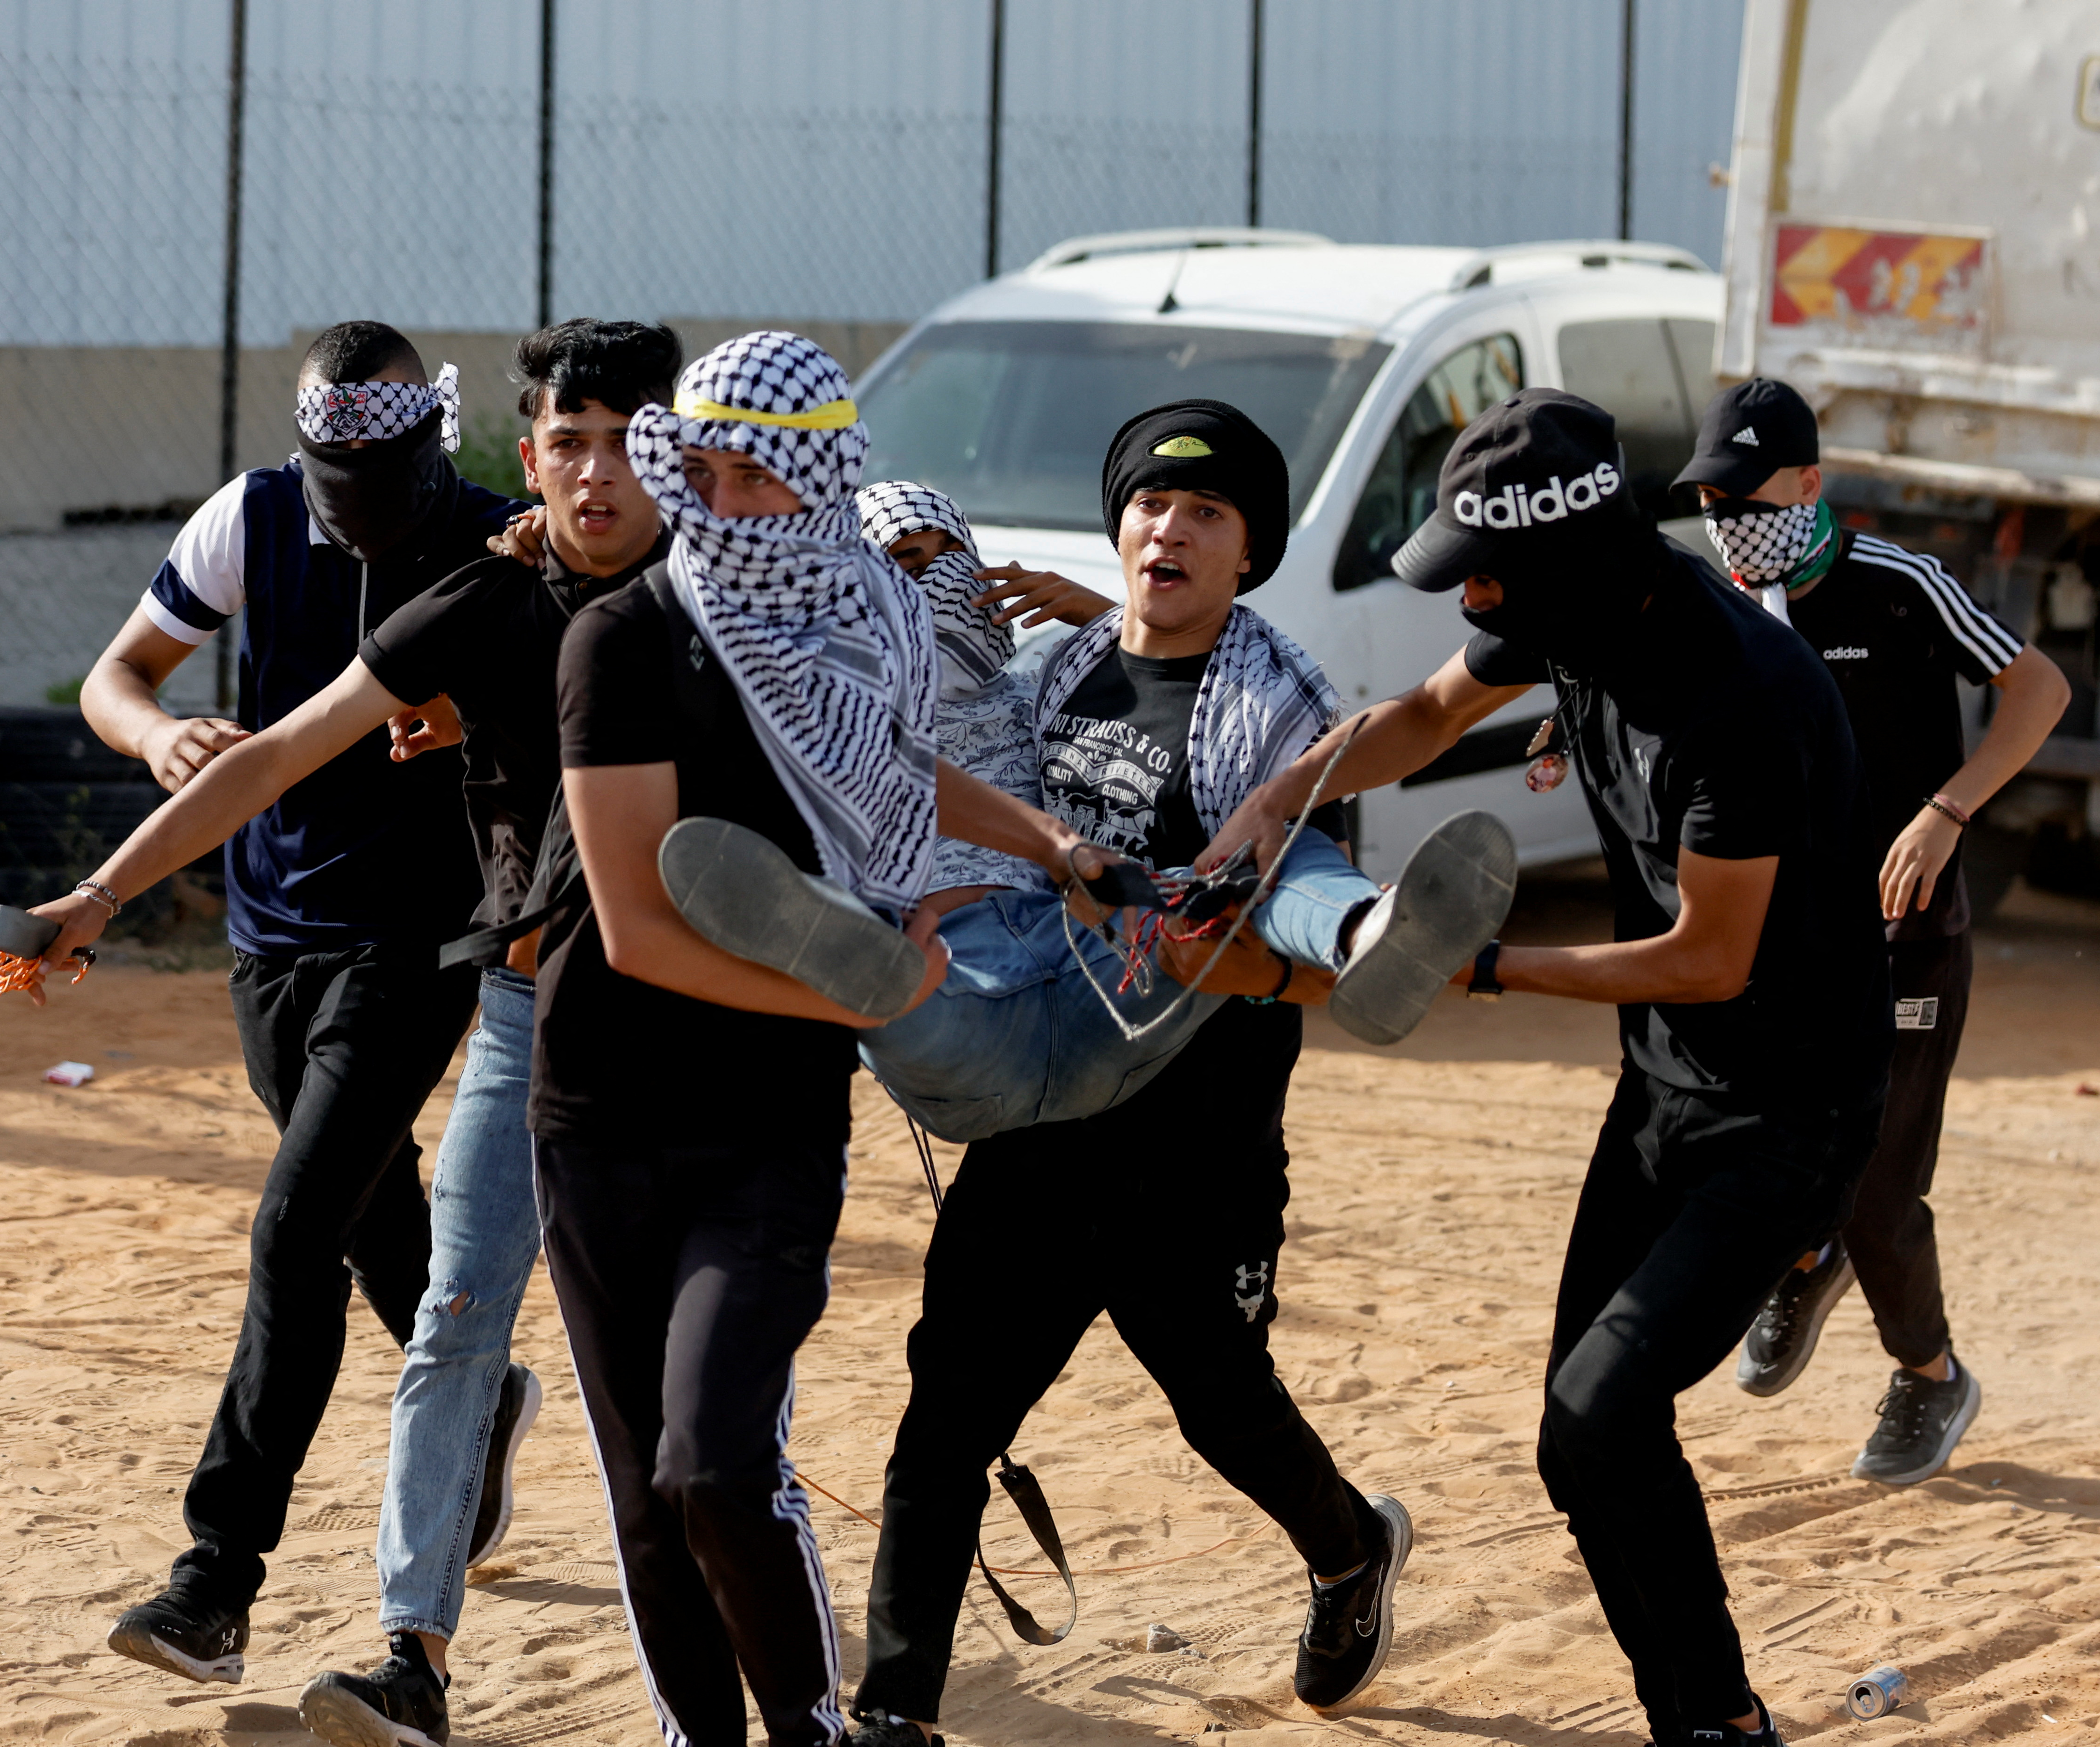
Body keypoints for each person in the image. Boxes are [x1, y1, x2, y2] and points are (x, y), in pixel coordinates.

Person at [1207, 389, 1894, 1746]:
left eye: (1487, 573)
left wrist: (1476, 964)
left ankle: (1722, 1722)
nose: (1470, 597)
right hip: (1665, 1089)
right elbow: (1420, 714)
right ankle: (1693, 1718)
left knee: (1601, 1413)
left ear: (1571, 561)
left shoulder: (1740, 698)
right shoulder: (1568, 608)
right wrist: (1280, 795)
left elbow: (1708, 958)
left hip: (1792, 1107)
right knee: (1574, 1448)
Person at [30, 322, 682, 1740]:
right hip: (297, 939)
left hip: (462, 956)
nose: (591, 473)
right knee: (414, 1274)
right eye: (567, 444)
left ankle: (218, 1578)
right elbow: (237, 732)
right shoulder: (320, 537)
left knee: (303, 1228)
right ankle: (445, 1550)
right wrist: (113, 860)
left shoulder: (579, 566)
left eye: (621, 444)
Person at [839, 401, 1459, 1747]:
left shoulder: (1280, 710)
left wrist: (1213, 951)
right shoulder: (1053, 676)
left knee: (1217, 1399)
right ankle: (893, 1713)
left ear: (1249, 553)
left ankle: (1351, 1548)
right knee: (946, 1416)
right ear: (1118, 527)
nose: (1169, 529)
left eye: (1206, 513)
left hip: (1199, 1126)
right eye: (1150, 506)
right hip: (1047, 1105)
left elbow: (1291, 974)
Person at [529, 330, 1096, 1747]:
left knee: (715, 1462)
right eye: (703, 474)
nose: (727, 506)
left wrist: (1044, 839)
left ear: (827, 474)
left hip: (770, 1119)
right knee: (647, 1491)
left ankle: (806, 1728)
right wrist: (863, 996)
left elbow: (901, 770)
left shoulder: (879, 618)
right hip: (604, 1105)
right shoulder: (626, 637)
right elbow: (637, 927)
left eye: (759, 477)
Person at [65, 321, 525, 1692]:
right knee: (365, 1208)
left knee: (295, 1229)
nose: (358, 513)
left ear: (434, 443)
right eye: (338, 487)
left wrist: (475, 720)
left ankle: (215, 1580)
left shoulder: (499, 543)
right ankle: (480, 1399)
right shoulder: (252, 517)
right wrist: (159, 734)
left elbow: (579, 704)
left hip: (423, 936)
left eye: (384, 485)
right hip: (270, 927)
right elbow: (115, 677)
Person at [665, 472, 1517, 1143]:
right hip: (960, 986)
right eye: (898, 566)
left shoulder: (1042, 679)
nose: (930, 583)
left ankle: (1362, 927)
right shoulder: (830, 721)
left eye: (944, 556)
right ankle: (850, 960)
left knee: (1248, 864)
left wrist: (1100, 611)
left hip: (1095, 972)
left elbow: (1164, 670)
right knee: (903, 999)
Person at [1675, 378, 2069, 1483]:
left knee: (1882, 1187)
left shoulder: (1900, 584)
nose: (1727, 520)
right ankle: (1810, 1255)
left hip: (1907, 938)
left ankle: (1930, 1377)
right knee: (1756, 1146)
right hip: (1783, 940)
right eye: (1709, 500)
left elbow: (2039, 691)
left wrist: (1948, 813)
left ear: (1811, 483)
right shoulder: (1719, 603)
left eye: (1747, 496)